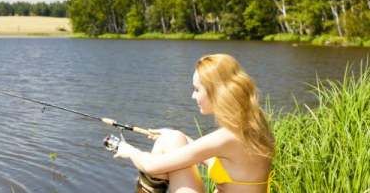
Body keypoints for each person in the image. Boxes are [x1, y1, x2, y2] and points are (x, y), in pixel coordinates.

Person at [109, 54, 274, 193]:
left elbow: (151, 166)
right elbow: (212, 157)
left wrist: (127, 149)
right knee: (173, 138)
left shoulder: (227, 137)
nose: (193, 96)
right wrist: (176, 135)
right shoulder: (253, 124)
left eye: (196, 90)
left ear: (216, 91)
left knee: (164, 151)